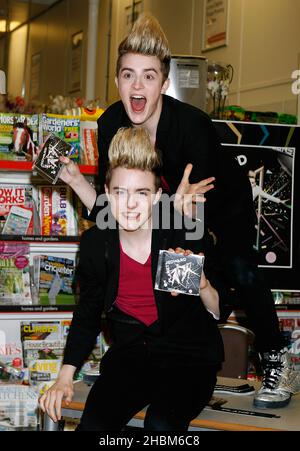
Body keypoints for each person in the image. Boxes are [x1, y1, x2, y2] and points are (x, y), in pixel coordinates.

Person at [57, 13, 299, 408]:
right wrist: (83, 185)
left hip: (220, 205)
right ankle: (134, 353)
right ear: (117, 80)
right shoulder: (110, 123)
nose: (137, 86)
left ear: (164, 84)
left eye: (149, 76)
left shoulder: (192, 126)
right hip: (166, 207)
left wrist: (169, 211)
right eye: (129, 75)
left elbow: (196, 220)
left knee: (237, 266)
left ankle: (275, 357)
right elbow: (114, 212)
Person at [39, 127, 225, 431]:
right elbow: (88, 313)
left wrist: (202, 283)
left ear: (157, 197)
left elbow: (217, 311)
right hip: (132, 357)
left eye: (142, 193)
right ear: (107, 194)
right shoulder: (96, 245)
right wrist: (64, 377)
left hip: (188, 359)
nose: (129, 204)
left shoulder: (180, 235)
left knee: (160, 426)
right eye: (120, 193)